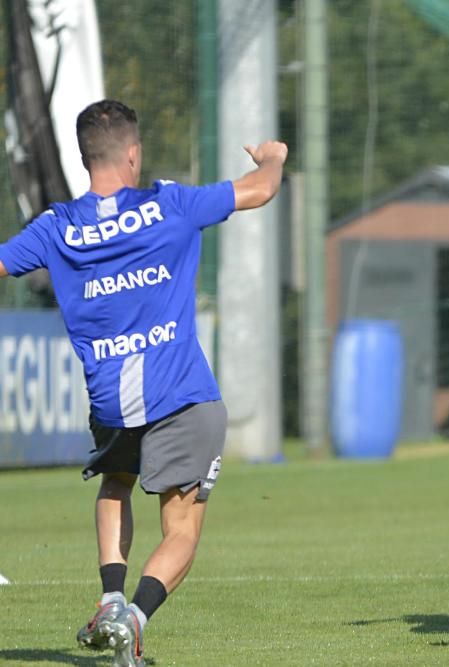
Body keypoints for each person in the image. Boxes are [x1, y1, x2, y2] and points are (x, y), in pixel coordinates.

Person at [0, 100, 287, 667]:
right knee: (180, 530)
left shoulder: (57, 226)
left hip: (111, 398)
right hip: (182, 396)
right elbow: (259, 190)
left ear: (85, 159)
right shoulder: (170, 203)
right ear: (133, 153)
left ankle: (110, 599)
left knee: (115, 482)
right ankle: (133, 618)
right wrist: (274, 157)